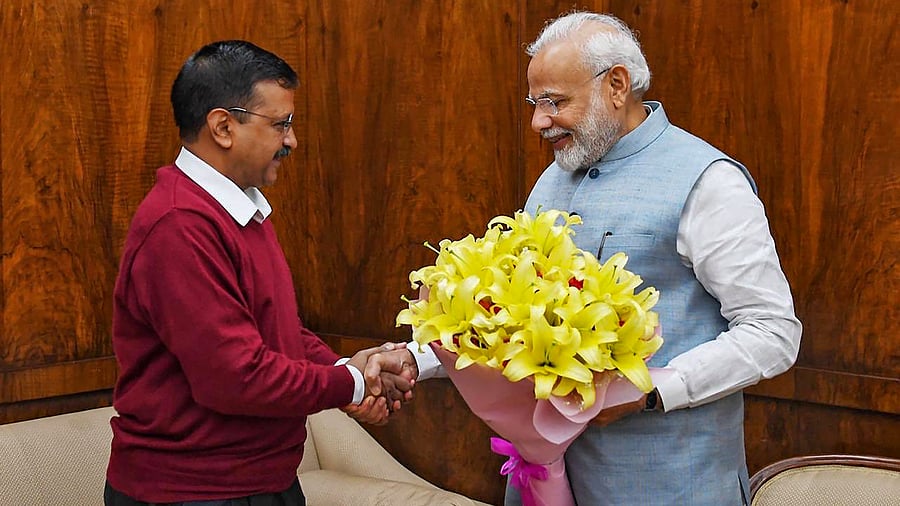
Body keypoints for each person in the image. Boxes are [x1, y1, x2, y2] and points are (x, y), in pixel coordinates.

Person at [385, 11, 802, 506]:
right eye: (535, 104)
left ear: (617, 85)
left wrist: (651, 392)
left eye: (555, 102)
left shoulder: (709, 180)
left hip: (669, 486)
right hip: (544, 483)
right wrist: (415, 358)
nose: (539, 121)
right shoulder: (553, 179)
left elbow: (773, 333)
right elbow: (505, 322)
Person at [105, 40, 411, 506]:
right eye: (280, 124)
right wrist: (353, 382)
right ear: (223, 127)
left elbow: (278, 331)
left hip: (260, 482)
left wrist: (343, 368)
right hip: (192, 493)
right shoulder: (179, 224)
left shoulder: (238, 207)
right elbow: (236, 379)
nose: (292, 141)